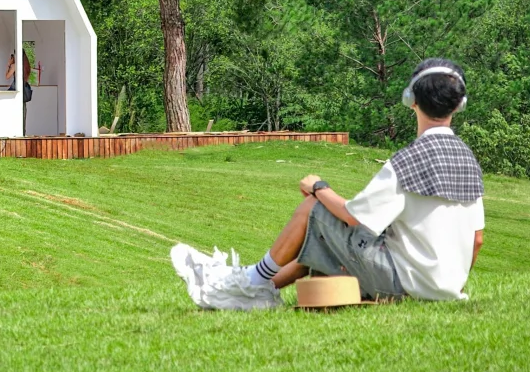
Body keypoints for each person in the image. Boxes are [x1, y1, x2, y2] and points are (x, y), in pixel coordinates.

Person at [171, 58, 485, 310]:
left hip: (404, 282)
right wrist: (448, 281)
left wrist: (319, 187)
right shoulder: (469, 161)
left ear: (411, 100)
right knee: (326, 231)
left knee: (315, 210)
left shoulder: (408, 161)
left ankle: (248, 282)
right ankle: (256, 286)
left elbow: (353, 217)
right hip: (446, 287)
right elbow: (477, 240)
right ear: (459, 105)